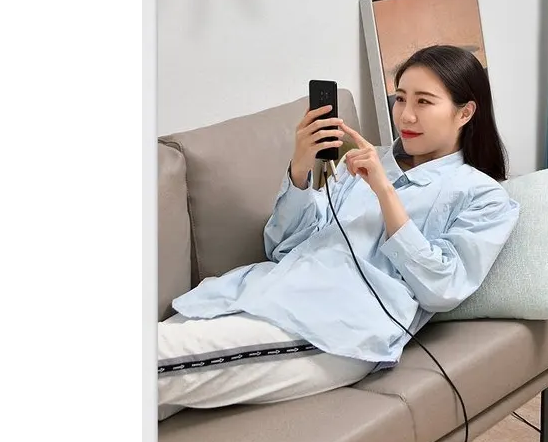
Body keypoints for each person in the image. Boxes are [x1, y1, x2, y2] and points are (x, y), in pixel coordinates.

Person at [158, 45, 521, 419]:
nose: (406, 115)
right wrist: (300, 172)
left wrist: (385, 191)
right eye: (400, 98)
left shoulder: (483, 196)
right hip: (256, 292)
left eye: (424, 102)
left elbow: (442, 287)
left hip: (331, 326)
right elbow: (284, 247)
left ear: (465, 112)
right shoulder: (357, 160)